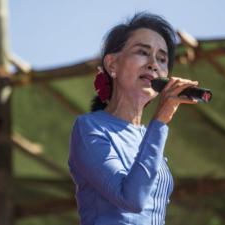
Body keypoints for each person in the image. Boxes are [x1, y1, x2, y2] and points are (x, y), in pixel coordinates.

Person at [68, 12, 199, 225]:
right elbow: (132, 199)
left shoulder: (148, 135)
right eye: (142, 52)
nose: (153, 64)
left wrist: (157, 126)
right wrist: (160, 120)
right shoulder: (89, 128)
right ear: (112, 65)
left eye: (162, 59)